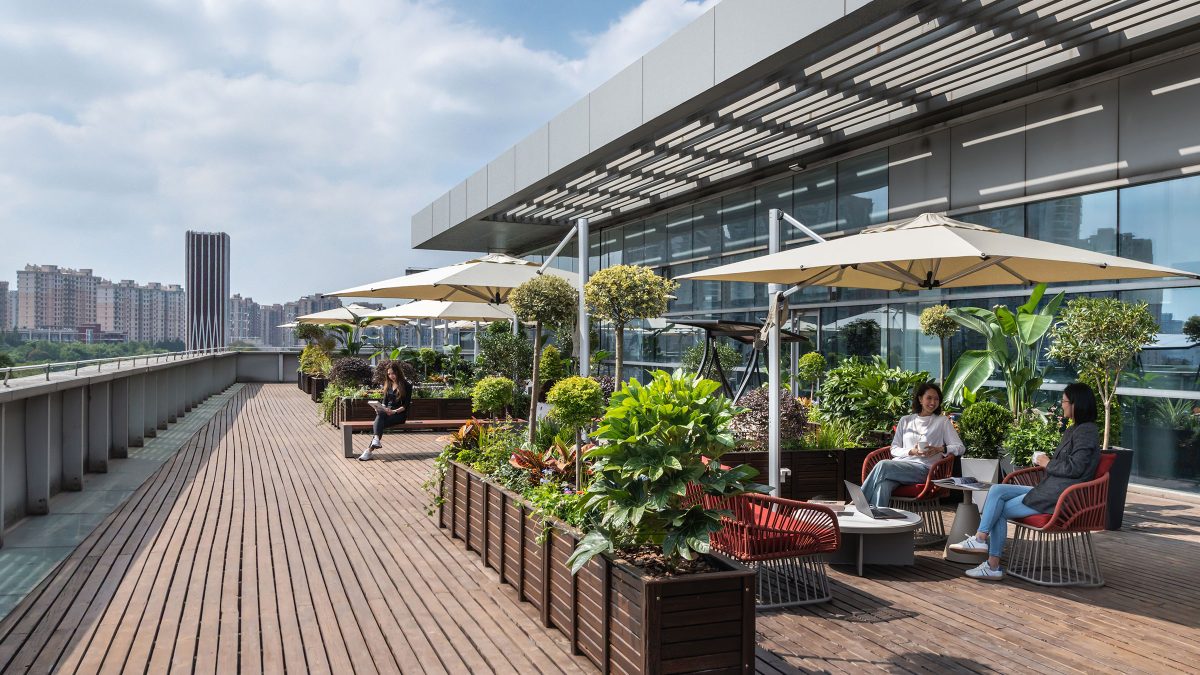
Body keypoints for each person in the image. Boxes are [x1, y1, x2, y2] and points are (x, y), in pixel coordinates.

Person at [949, 382, 1101, 580]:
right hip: (1051, 489)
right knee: (997, 490)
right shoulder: (1074, 429)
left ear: (1076, 404)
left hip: (1061, 498)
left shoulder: (1086, 431)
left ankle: (991, 563)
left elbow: (1076, 468)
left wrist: (1046, 463)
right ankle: (981, 539)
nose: (1062, 405)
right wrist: (1045, 460)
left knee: (999, 509)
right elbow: (1068, 463)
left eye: (1064, 401)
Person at [861, 382, 964, 507]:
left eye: (936, 399)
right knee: (883, 486)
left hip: (925, 470)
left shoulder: (942, 422)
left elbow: (960, 448)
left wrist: (939, 449)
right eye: (929, 398)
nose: (933, 402)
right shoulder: (906, 420)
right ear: (920, 399)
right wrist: (911, 451)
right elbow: (894, 449)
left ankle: (859, 503)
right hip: (900, 466)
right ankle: (878, 522)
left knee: (883, 465)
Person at [360, 361, 412, 461]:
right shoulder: (388, 385)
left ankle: (370, 450)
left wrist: (394, 411)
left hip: (399, 414)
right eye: (389, 374)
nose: (391, 376)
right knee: (380, 415)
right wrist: (380, 407)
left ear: (398, 373)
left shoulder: (407, 385)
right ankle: (372, 446)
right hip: (386, 413)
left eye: (393, 373)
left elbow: (406, 405)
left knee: (379, 422)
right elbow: (384, 402)